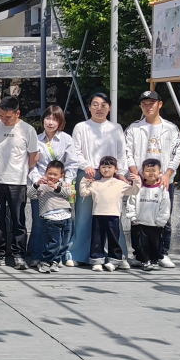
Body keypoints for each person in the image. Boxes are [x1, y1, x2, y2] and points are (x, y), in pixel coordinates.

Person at [124, 90, 180, 268]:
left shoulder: (171, 128)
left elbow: (178, 152)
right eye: (144, 104)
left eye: (151, 103)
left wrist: (168, 174)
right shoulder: (134, 128)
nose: (148, 107)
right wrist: (134, 172)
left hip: (162, 181)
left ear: (160, 104)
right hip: (140, 181)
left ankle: (162, 253)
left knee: (164, 217)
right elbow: (127, 151)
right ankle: (139, 254)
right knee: (137, 217)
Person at [71, 92, 128, 266]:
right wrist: (86, 166)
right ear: (89, 107)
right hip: (88, 174)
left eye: (103, 105)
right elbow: (76, 151)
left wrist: (121, 173)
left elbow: (121, 152)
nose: (99, 108)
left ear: (109, 108)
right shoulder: (81, 127)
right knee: (84, 215)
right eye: (95, 104)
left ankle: (117, 256)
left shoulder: (116, 128)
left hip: (111, 176)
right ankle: (79, 255)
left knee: (112, 214)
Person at [0, 96, 39, 270]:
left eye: (8, 117)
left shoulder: (28, 130)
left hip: (18, 181)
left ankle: (18, 255)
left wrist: (21, 169)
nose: (4, 120)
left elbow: (34, 156)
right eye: (1, 116)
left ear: (17, 113)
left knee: (18, 220)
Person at [28, 106, 80, 268]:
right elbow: (30, 164)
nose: (50, 122)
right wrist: (38, 180)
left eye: (55, 119)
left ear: (60, 122)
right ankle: (36, 255)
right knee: (39, 222)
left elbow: (72, 163)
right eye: (48, 118)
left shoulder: (66, 139)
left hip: (59, 188)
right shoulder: (36, 139)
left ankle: (57, 257)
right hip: (42, 187)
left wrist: (66, 181)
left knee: (63, 223)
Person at [79, 156, 138, 272]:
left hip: (114, 216)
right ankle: (97, 261)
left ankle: (114, 261)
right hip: (97, 215)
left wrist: (137, 181)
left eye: (110, 167)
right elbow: (83, 193)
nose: (106, 169)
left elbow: (134, 191)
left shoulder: (120, 183)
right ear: (99, 169)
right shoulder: (95, 183)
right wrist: (84, 182)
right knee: (97, 240)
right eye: (103, 167)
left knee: (114, 239)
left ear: (116, 169)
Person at [27, 160, 74, 274]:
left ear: (61, 176)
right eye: (50, 173)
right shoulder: (42, 186)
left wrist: (56, 188)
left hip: (66, 217)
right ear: (46, 173)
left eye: (55, 174)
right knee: (54, 243)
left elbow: (69, 193)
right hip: (51, 218)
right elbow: (30, 195)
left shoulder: (63, 185)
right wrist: (36, 184)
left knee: (65, 243)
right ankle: (46, 262)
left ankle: (55, 261)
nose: (52, 177)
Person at [130, 158, 173, 271]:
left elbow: (165, 206)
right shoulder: (138, 188)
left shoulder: (162, 189)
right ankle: (145, 261)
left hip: (156, 224)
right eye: (147, 171)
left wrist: (161, 221)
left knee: (156, 244)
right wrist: (133, 217)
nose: (151, 173)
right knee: (142, 244)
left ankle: (154, 261)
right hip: (140, 223)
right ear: (142, 172)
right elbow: (131, 203)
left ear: (160, 173)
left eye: (154, 170)